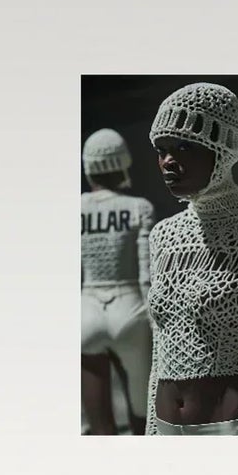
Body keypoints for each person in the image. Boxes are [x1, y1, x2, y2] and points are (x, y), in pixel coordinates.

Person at [144, 82, 238, 436]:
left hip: (229, 428)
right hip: (166, 425)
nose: (169, 161)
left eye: (184, 146)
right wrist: (150, 433)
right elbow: (159, 354)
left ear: (223, 149)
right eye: (162, 149)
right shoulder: (162, 236)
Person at [78, 127, 154, 435]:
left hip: (87, 310)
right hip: (131, 309)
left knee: (100, 428)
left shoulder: (75, 208)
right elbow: (147, 273)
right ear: (122, 162)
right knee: (143, 413)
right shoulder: (139, 207)